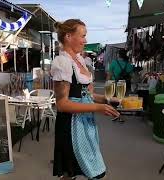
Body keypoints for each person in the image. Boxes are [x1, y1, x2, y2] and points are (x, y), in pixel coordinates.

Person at [51, 19, 120, 180]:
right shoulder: (62, 63)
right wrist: (98, 108)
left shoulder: (79, 61)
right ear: (68, 36)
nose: (86, 40)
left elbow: (87, 95)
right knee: (70, 173)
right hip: (70, 125)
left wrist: (107, 99)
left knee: (90, 169)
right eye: (82, 36)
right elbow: (62, 104)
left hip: (85, 123)